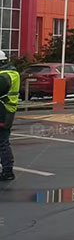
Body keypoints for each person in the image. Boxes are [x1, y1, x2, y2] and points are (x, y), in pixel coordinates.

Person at [0, 50, 19, 181]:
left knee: (2, 142)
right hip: (6, 111)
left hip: (2, 112)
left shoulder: (4, 76)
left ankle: (7, 171)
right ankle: (7, 170)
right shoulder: (11, 73)